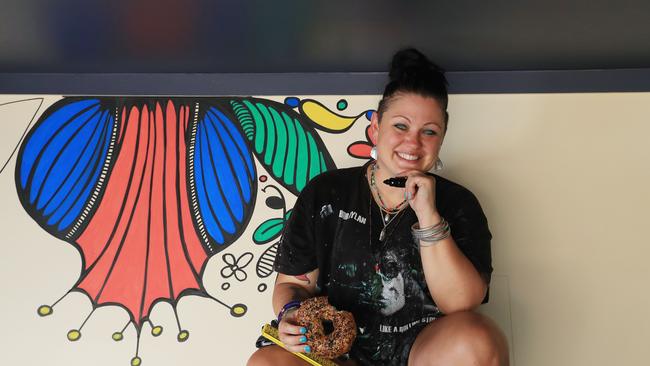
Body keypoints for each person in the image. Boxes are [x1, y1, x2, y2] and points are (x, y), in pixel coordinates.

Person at [248, 48, 509, 366]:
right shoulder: (326, 193)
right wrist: (290, 313)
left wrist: (428, 217)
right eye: (401, 126)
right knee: (266, 362)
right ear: (375, 128)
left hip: (423, 353)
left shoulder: (458, 203)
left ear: (441, 139)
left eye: (429, 132)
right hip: (337, 357)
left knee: (478, 340)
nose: (413, 143)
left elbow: (461, 305)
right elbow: (292, 284)